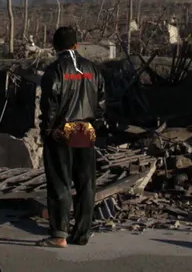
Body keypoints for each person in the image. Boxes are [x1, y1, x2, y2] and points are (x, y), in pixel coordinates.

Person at [36, 26, 107, 248]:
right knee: (86, 182)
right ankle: (82, 233)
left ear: (55, 46)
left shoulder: (55, 70)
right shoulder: (92, 69)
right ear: (76, 45)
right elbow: (101, 103)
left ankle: (59, 234)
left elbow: (49, 105)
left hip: (61, 128)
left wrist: (47, 131)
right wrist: (93, 125)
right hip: (85, 128)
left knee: (60, 181)